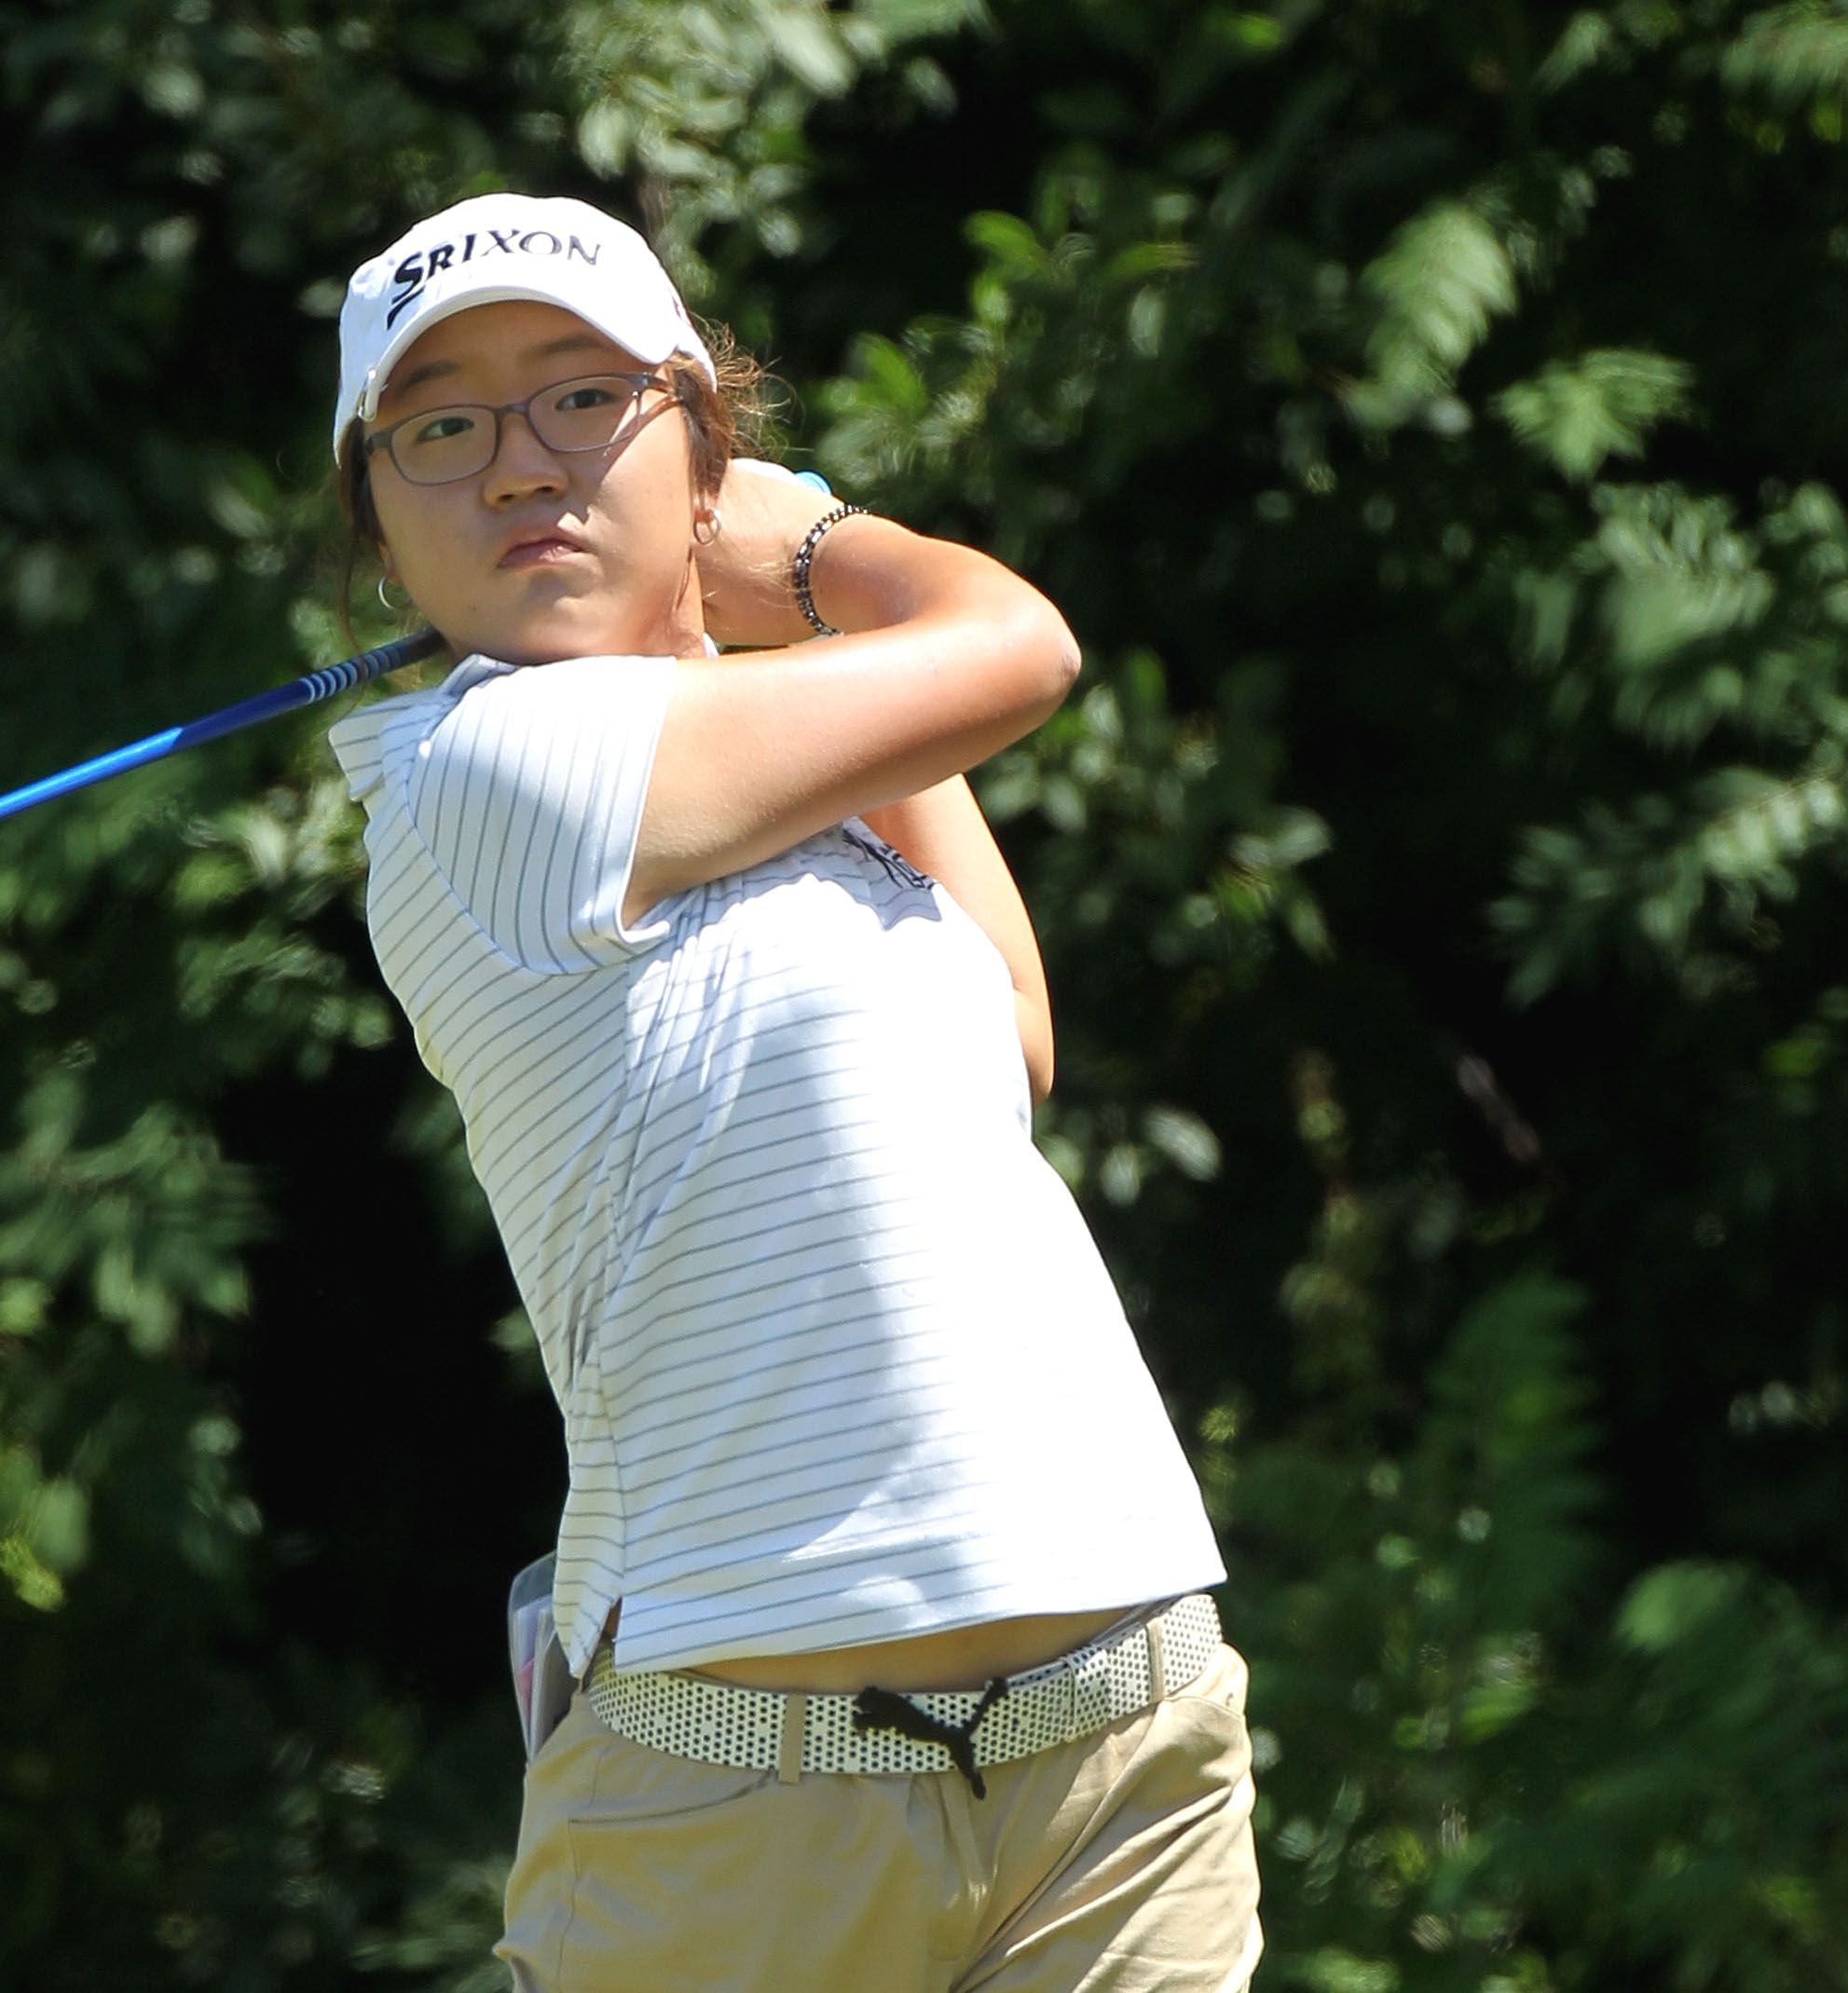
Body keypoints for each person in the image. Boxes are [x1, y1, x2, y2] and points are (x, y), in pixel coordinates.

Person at [322, 191, 1261, 1993]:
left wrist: (765, 620)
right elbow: (1018, 651)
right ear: (377, 519)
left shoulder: (765, 754)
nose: (522, 466)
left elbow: (1013, 1027)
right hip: (739, 1809)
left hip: (1120, 1754)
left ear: (699, 443)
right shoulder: (484, 776)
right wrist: (827, 550)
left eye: (584, 401)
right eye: (441, 426)